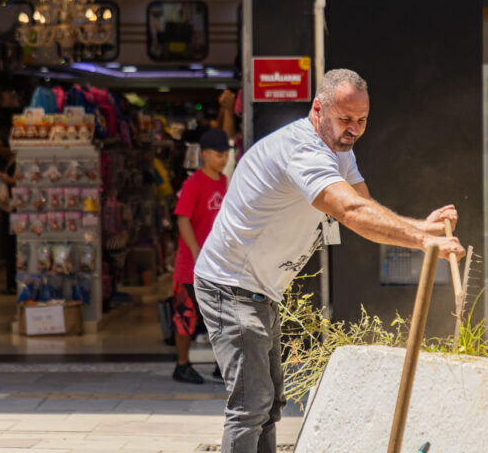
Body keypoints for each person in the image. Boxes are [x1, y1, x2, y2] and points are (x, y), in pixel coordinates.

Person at [193, 68, 464, 452]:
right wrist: (421, 240)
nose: (353, 129)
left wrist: (420, 226)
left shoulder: (340, 150)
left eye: (362, 120)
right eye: (345, 119)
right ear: (318, 108)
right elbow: (350, 212)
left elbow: (365, 207)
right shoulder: (304, 151)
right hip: (230, 285)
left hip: (259, 288)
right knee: (250, 406)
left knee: (268, 405)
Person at [172, 128, 231, 384]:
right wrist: (196, 251)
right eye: (219, 155)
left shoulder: (223, 182)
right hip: (191, 263)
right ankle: (182, 365)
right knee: (186, 314)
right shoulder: (193, 184)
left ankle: (221, 364)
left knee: (220, 315)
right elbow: (182, 219)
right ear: (205, 155)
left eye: (226, 154)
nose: (224, 159)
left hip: (216, 263)